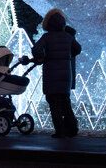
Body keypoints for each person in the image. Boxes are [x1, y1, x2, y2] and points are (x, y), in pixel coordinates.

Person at [32, 8, 81, 139]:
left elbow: (36, 49)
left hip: (51, 74)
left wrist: (41, 58)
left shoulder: (46, 37)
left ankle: (60, 131)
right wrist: (68, 55)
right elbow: (78, 49)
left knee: (54, 103)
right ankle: (72, 129)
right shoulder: (68, 37)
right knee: (65, 102)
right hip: (66, 75)